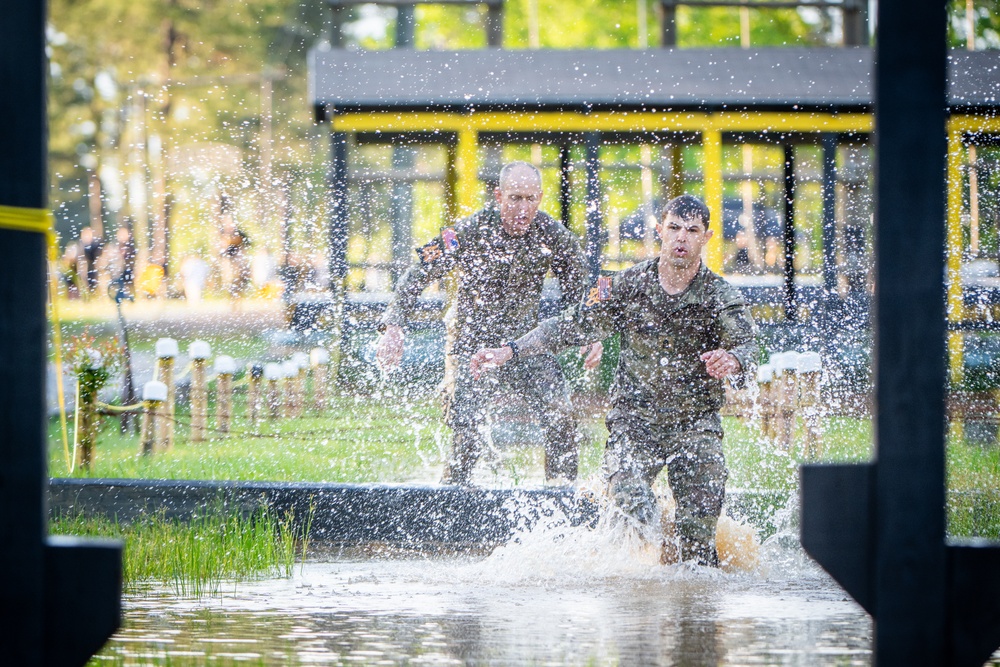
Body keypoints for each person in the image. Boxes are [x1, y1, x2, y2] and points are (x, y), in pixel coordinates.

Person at [470, 194, 758, 566]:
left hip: (695, 423)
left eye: (692, 230)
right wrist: (510, 350)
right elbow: (569, 324)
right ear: (660, 232)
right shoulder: (626, 286)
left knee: (699, 533)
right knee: (633, 507)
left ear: (706, 237)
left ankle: (693, 597)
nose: (681, 238)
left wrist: (733, 359)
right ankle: (644, 582)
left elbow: (748, 344)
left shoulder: (720, 295)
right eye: (673, 228)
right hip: (634, 423)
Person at [376, 161, 602, 485]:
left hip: (523, 345)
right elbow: (418, 273)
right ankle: (452, 501)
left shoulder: (552, 235)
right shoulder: (469, 231)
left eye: (529, 199)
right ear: (498, 196)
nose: (523, 209)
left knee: (560, 415)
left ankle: (560, 501)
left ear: (539, 198)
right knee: (468, 434)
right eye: (514, 198)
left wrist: (590, 332)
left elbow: (583, 288)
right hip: (471, 343)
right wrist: (393, 327)